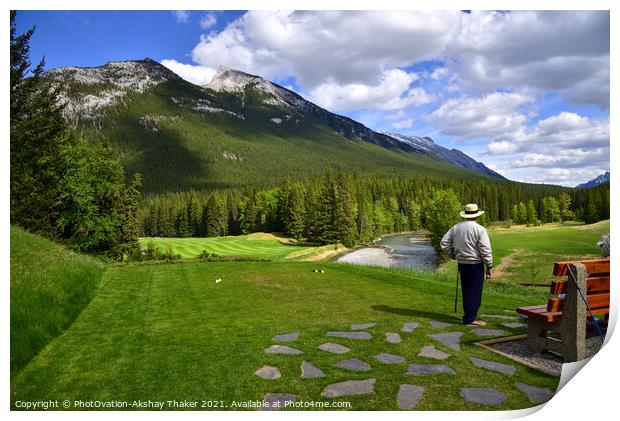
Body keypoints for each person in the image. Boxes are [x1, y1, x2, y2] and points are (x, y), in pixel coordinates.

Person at [440, 203, 493, 326]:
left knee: (467, 290)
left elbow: (444, 243)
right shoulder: (480, 229)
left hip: (462, 263)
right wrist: (489, 266)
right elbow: (485, 249)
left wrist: (452, 254)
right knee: (474, 291)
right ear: (476, 215)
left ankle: (468, 316)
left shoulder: (456, 228)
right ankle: (470, 318)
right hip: (475, 264)